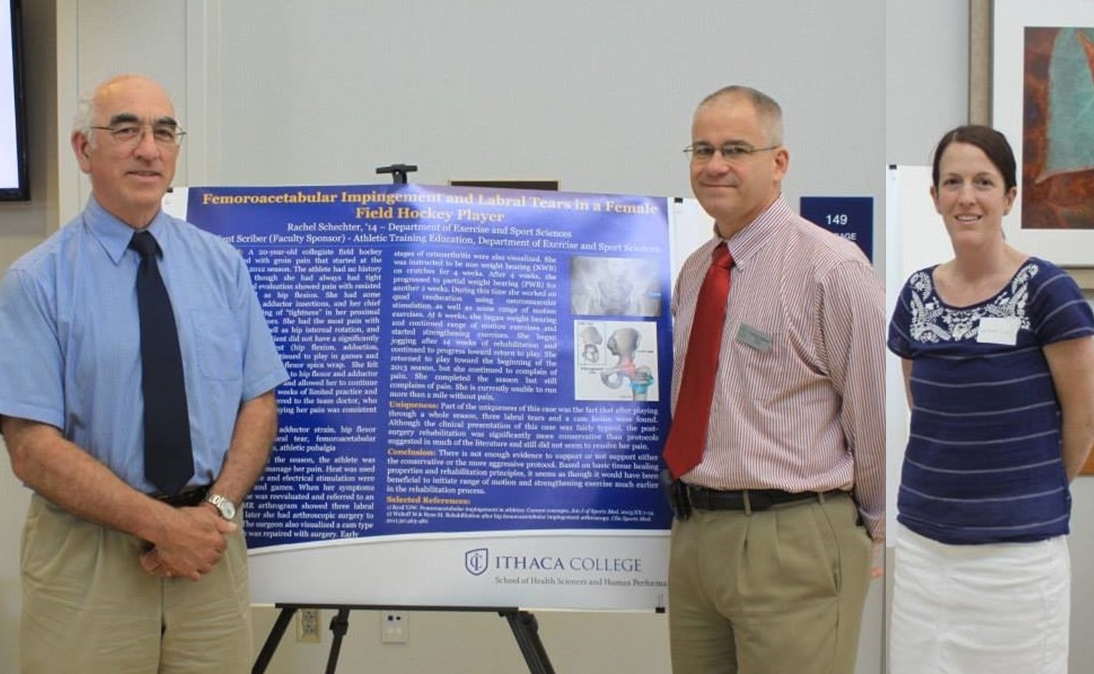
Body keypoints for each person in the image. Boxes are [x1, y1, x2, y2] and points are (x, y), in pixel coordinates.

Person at [0, 73, 289, 673]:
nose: (149, 149)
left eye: (163, 131)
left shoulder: (221, 265)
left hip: (210, 551)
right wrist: (163, 526)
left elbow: (257, 402)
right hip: (89, 560)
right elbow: (30, 448)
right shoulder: (36, 282)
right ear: (85, 150)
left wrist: (216, 515)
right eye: (126, 129)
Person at [663, 85, 885, 674]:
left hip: (792, 538)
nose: (715, 165)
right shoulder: (694, 273)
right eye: (702, 149)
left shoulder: (831, 269)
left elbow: (874, 414)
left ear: (778, 162)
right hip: (696, 537)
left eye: (735, 148)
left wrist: (875, 527)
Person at [887, 125, 1094, 674]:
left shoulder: (1048, 291)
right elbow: (925, 409)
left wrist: (1029, 491)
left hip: (1017, 563)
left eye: (983, 181)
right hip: (925, 553)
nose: (967, 197)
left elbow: (1084, 418)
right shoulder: (916, 295)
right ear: (934, 198)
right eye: (952, 182)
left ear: (1008, 197)